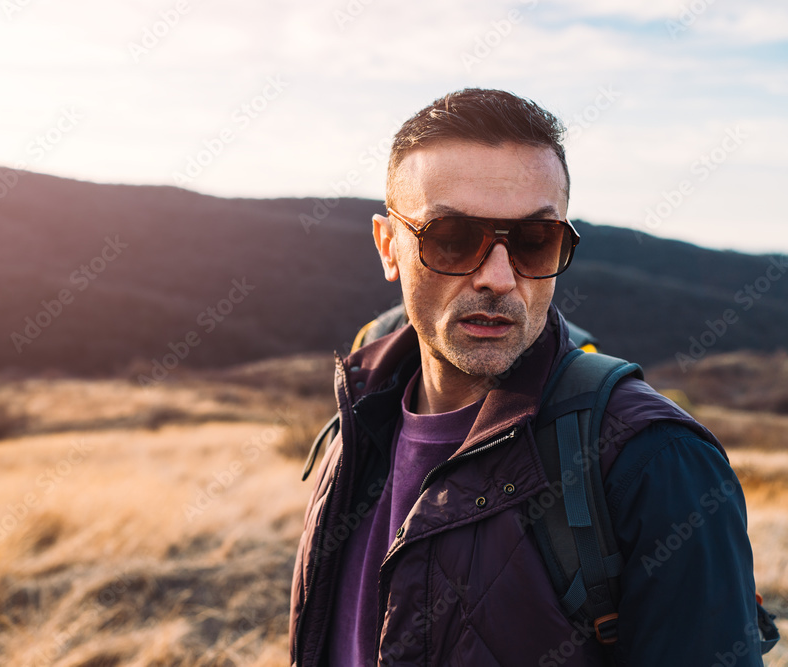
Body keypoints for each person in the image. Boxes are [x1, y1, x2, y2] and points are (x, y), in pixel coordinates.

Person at [289, 89, 765, 666]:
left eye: (535, 242)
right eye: (452, 237)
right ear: (389, 245)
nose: (498, 277)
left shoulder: (653, 460)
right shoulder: (359, 414)